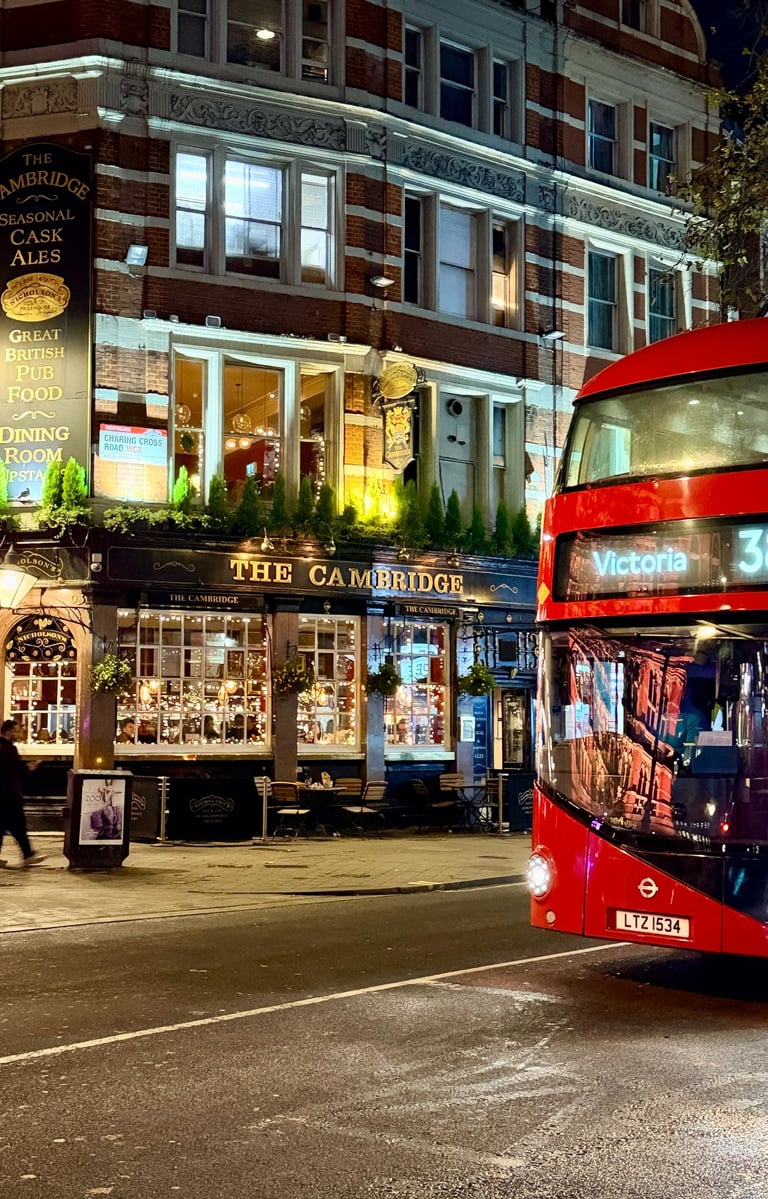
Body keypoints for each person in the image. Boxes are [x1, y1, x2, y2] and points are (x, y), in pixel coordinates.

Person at [0, 718, 45, 867]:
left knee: (9, 827)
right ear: (8, 732)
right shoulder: (6, 749)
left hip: (7, 794)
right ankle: (28, 854)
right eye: (16, 730)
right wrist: (27, 768)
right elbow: (10, 769)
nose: (19, 733)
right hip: (8, 795)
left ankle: (28, 854)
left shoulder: (7, 748)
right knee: (17, 825)